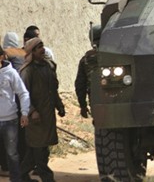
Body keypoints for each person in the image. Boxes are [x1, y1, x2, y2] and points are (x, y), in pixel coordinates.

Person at [19, 38, 65, 182]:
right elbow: (23, 94)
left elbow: (53, 90)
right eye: (39, 47)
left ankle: (21, 176)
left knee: (38, 149)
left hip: (47, 115)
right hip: (35, 118)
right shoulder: (27, 71)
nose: (42, 49)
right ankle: (47, 178)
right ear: (32, 52)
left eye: (42, 46)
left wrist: (60, 105)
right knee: (38, 150)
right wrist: (32, 111)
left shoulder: (48, 67)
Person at [0, 45, 30, 182]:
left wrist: (24, 113)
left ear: (1, 57)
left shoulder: (10, 73)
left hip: (9, 121)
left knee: (12, 154)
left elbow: (23, 93)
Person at [75, 25, 101, 119]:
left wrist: (83, 105)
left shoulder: (85, 59)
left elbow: (80, 85)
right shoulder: (116, 55)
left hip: (95, 99)